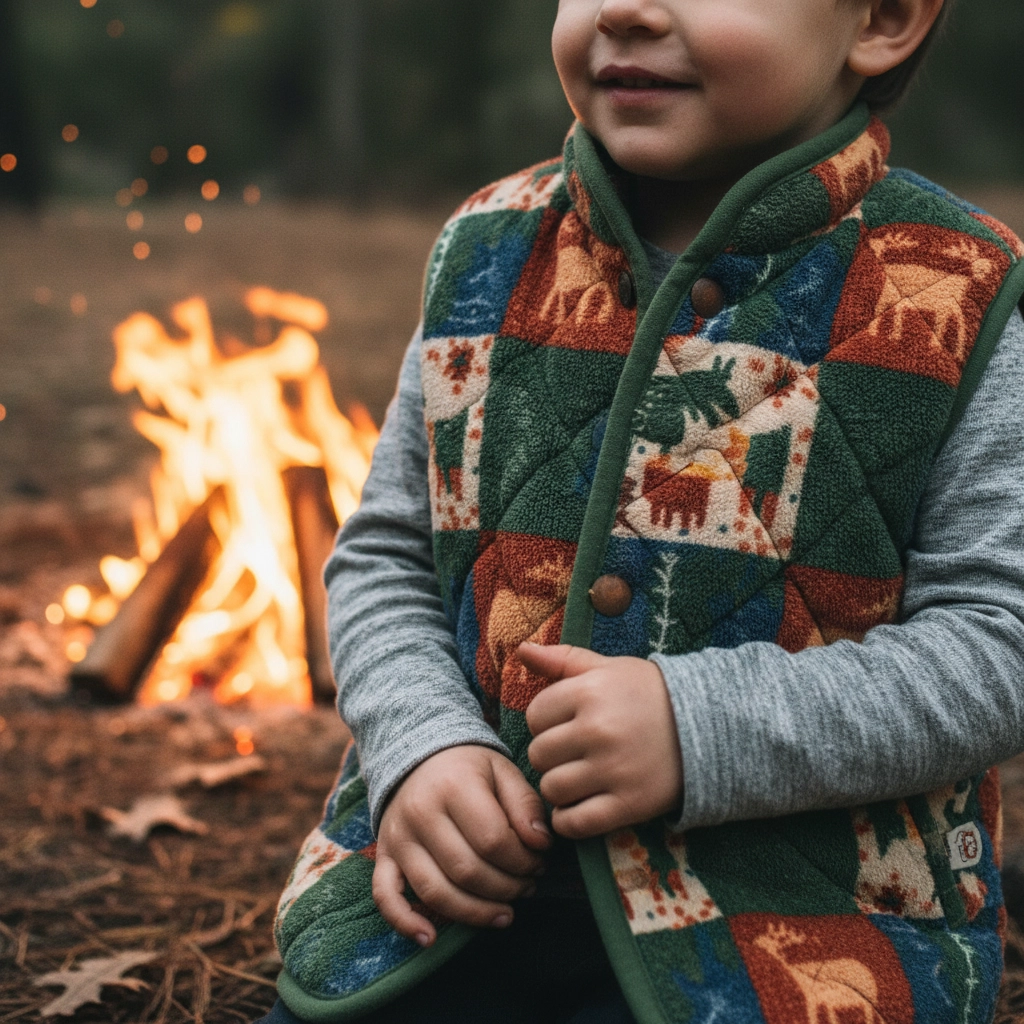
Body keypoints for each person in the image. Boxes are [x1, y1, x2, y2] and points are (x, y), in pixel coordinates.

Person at [260, 0, 1024, 1020]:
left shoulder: (966, 296)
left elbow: (996, 643)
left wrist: (700, 727)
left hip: (804, 930)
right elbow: (385, 556)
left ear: (880, 20)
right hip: (460, 902)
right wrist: (422, 747)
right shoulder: (486, 248)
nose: (623, 9)